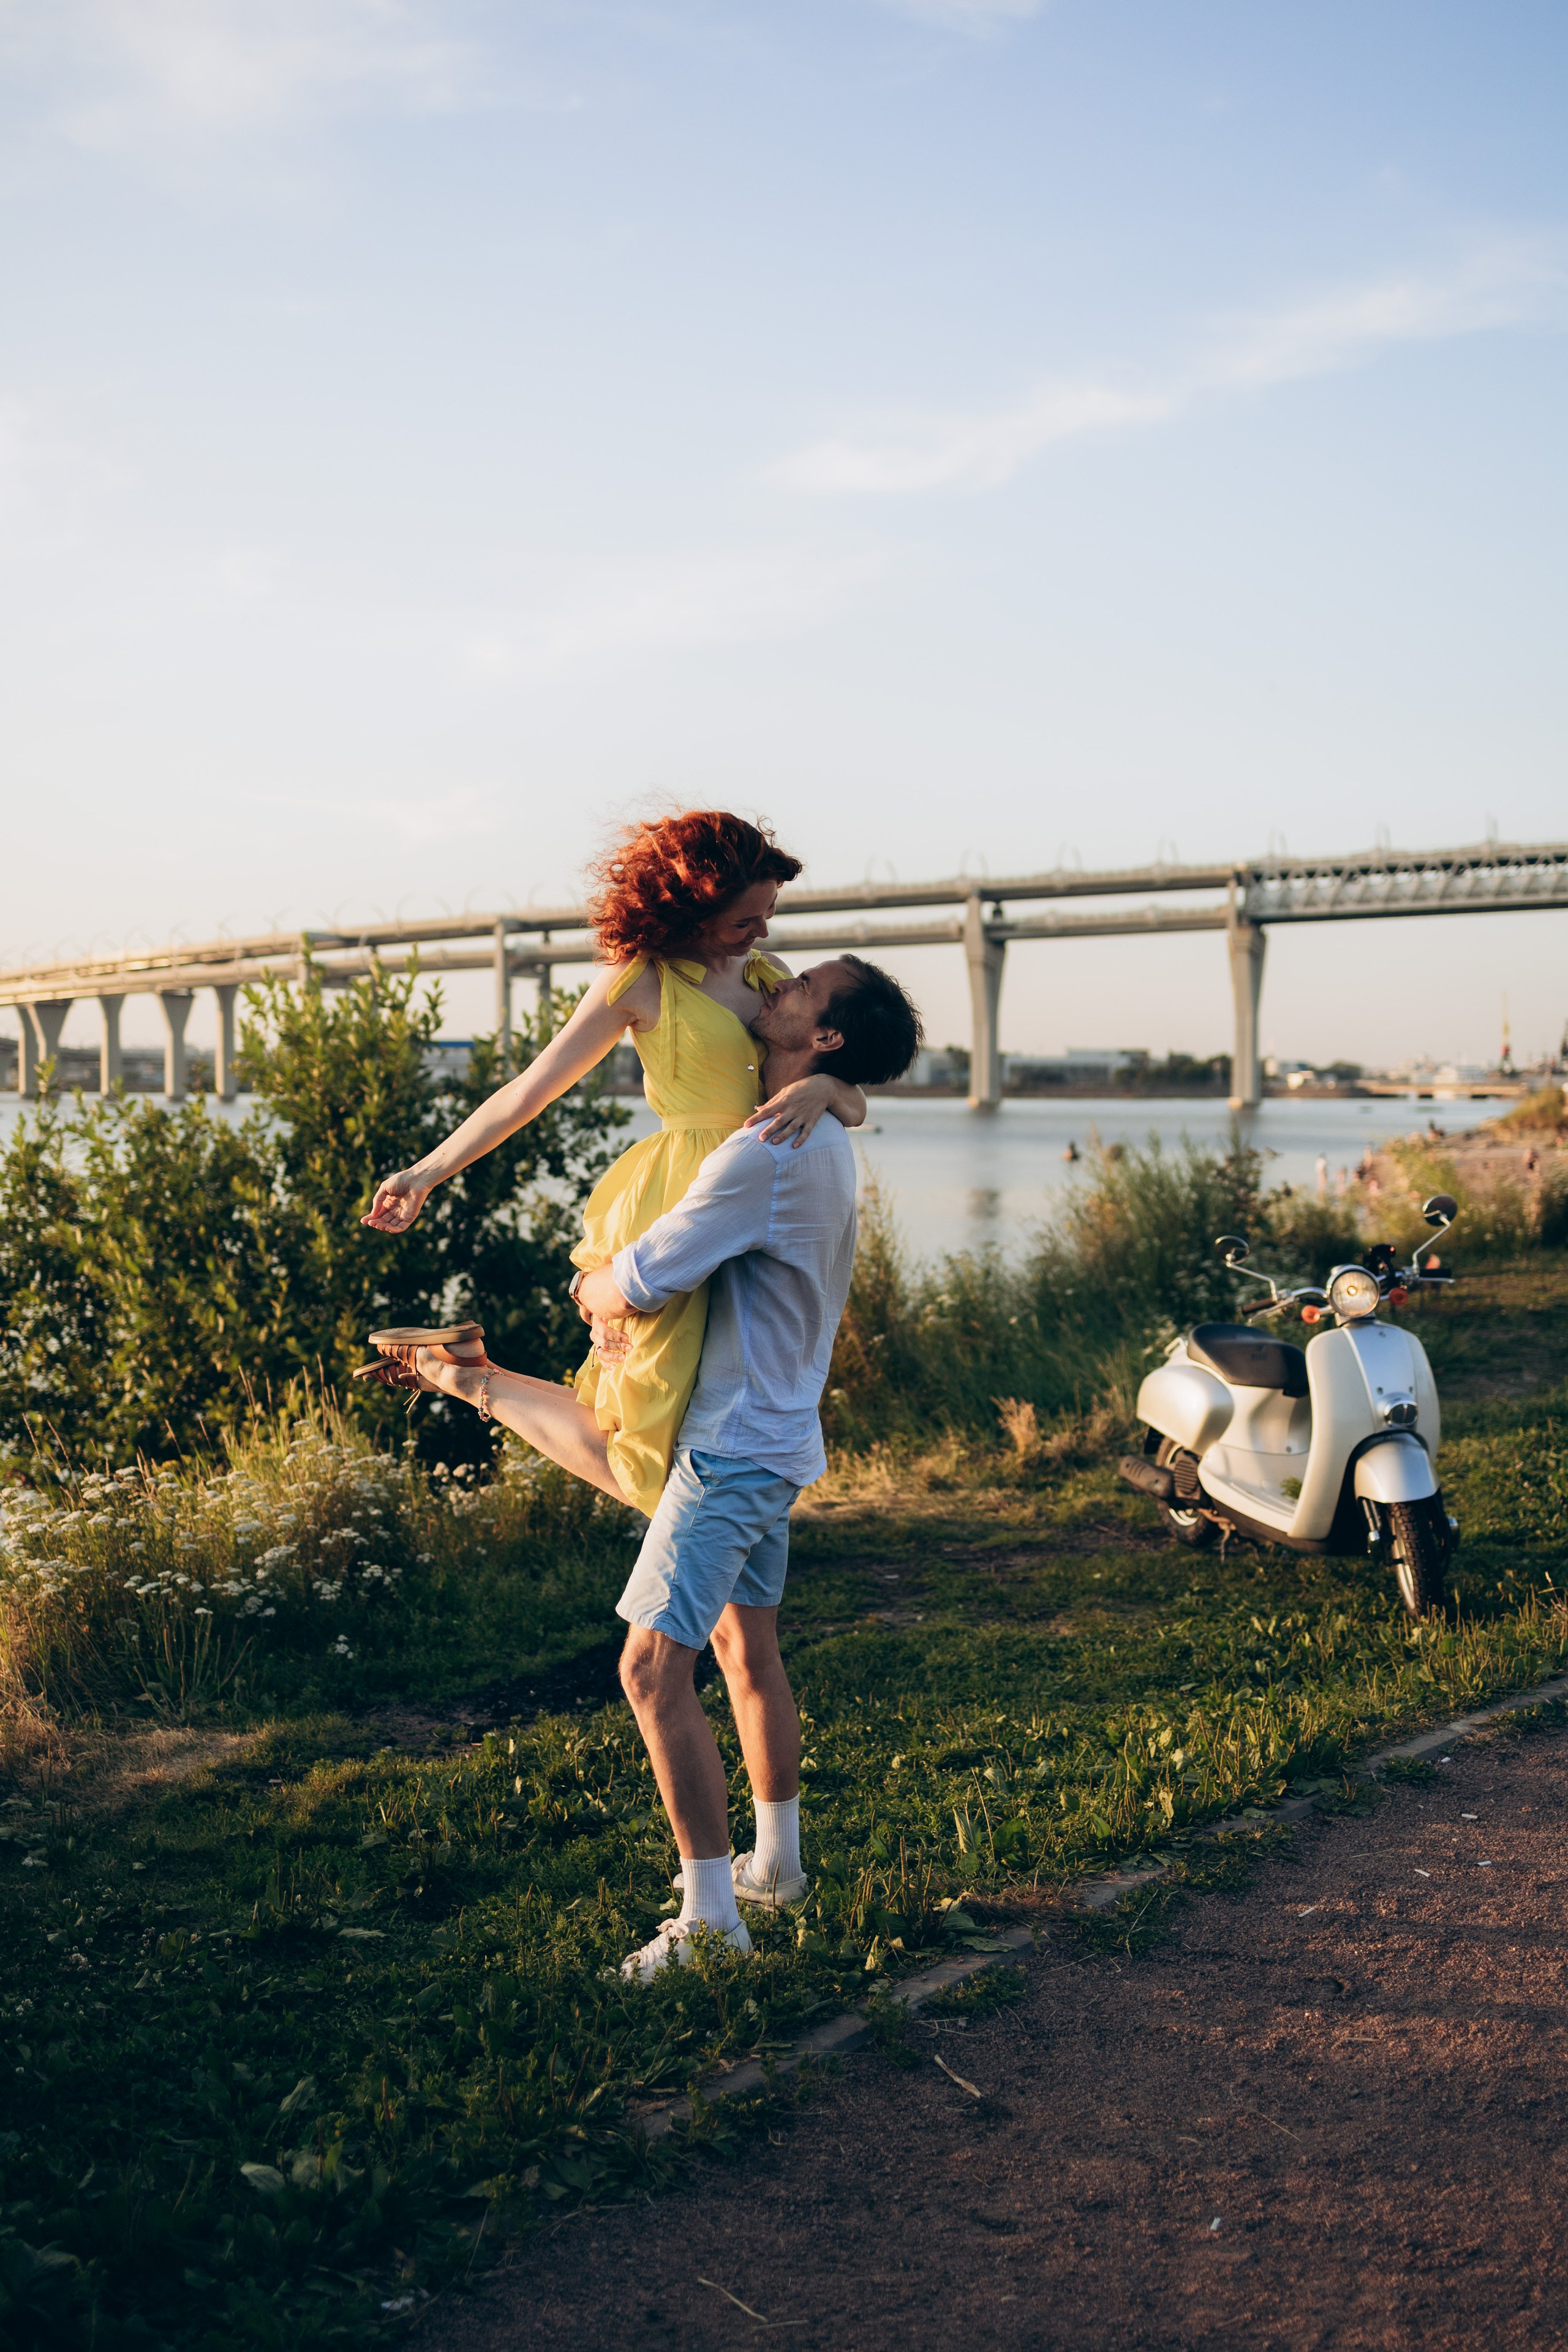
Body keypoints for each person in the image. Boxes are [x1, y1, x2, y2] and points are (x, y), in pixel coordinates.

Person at [391, 954, 924, 1980]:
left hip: (730, 1454)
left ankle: (711, 1922)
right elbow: (833, 1099)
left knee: (648, 1669)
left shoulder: (763, 1151)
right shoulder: (814, 1130)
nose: (780, 978)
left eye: (805, 986)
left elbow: (635, 1284)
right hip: (774, 1441)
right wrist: (835, 1090)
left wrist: (589, 1281)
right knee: (744, 1651)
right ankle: (781, 1868)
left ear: (823, 1038)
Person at [358, 812, 867, 1515]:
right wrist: (424, 1174)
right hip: (676, 1199)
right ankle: (474, 1380)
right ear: (692, 907)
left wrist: (822, 1084)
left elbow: (850, 1096)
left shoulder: (772, 976)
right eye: (744, 921)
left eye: (768, 915)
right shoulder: (637, 981)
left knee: (722, 1423)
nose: (763, 935)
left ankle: (730, 1621)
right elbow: (528, 1092)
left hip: (757, 1202)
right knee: (649, 1429)